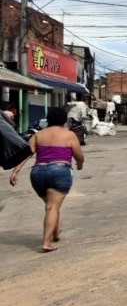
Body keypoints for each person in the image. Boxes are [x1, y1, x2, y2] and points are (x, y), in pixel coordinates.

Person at [9, 106, 84, 253]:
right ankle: (46, 243)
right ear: (64, 120)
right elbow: (79, 156)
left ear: (49, 119)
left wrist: (16, 170)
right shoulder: (69, 135)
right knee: (52, 207)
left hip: (38, 173)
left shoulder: (38, 135)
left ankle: (55, 233)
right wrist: (80, 164)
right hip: (59, 171)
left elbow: (26, 154)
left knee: (51, 206)